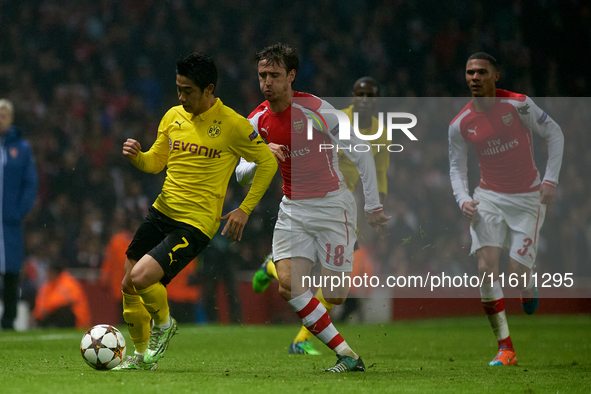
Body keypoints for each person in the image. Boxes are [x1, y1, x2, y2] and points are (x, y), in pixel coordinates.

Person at [114, 53, 277, 370]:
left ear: (208, 89)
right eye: (178, 88)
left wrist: (244, 209)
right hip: (162, 212)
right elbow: (155, 162)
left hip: (195, 225)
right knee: (127, 285)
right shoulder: (173, 116)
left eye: (188, 90)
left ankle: (164, 325)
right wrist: (137, 157)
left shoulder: (232, 125)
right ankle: (142, 357)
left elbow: (268, 162)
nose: (181, 96)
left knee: (142, 277)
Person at [236, 43, 390, 373]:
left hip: (333, 206)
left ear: (291, 76)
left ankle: (273, 266)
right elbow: (240, 173)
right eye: (262, 75)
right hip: (293, 208)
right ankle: (347, 354)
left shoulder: (318, 110)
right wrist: (262, 154)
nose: (266, 82)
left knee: (335, 295)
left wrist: (374, 206)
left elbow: (361, 152)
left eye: (274, 75)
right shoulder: (257, 120)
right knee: (290, 287)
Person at [448, 52, 564, 366]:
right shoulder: (459, 124)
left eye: (481, 72)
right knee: (486, 269)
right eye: (470, 72)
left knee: (516, 273)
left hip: (528, 198)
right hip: (488, 197)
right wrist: (463, 200)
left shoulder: (518, 105)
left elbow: (554, 133)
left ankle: (526, 283)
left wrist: (550, 180)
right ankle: (505, 348)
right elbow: (457, 170)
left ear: (495, 76)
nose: (474, 78)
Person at [0, 98, 38, 330]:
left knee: (11, 269)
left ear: (11, 119)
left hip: (9, 220)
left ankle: (9, 318)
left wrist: (19, 210)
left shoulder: (21, 148)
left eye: (4, 115)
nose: (0, 119)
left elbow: (30, 182)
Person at [32, 261, 91, 329]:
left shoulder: (68, 283)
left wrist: (46, 309)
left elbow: (64, 301)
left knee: (63, 310)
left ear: (55, 272)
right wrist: (38, 313)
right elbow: (41, 302)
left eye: (50, 272)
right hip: (53, 314)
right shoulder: (48, 284)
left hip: (76, 318)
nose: (47, 274)